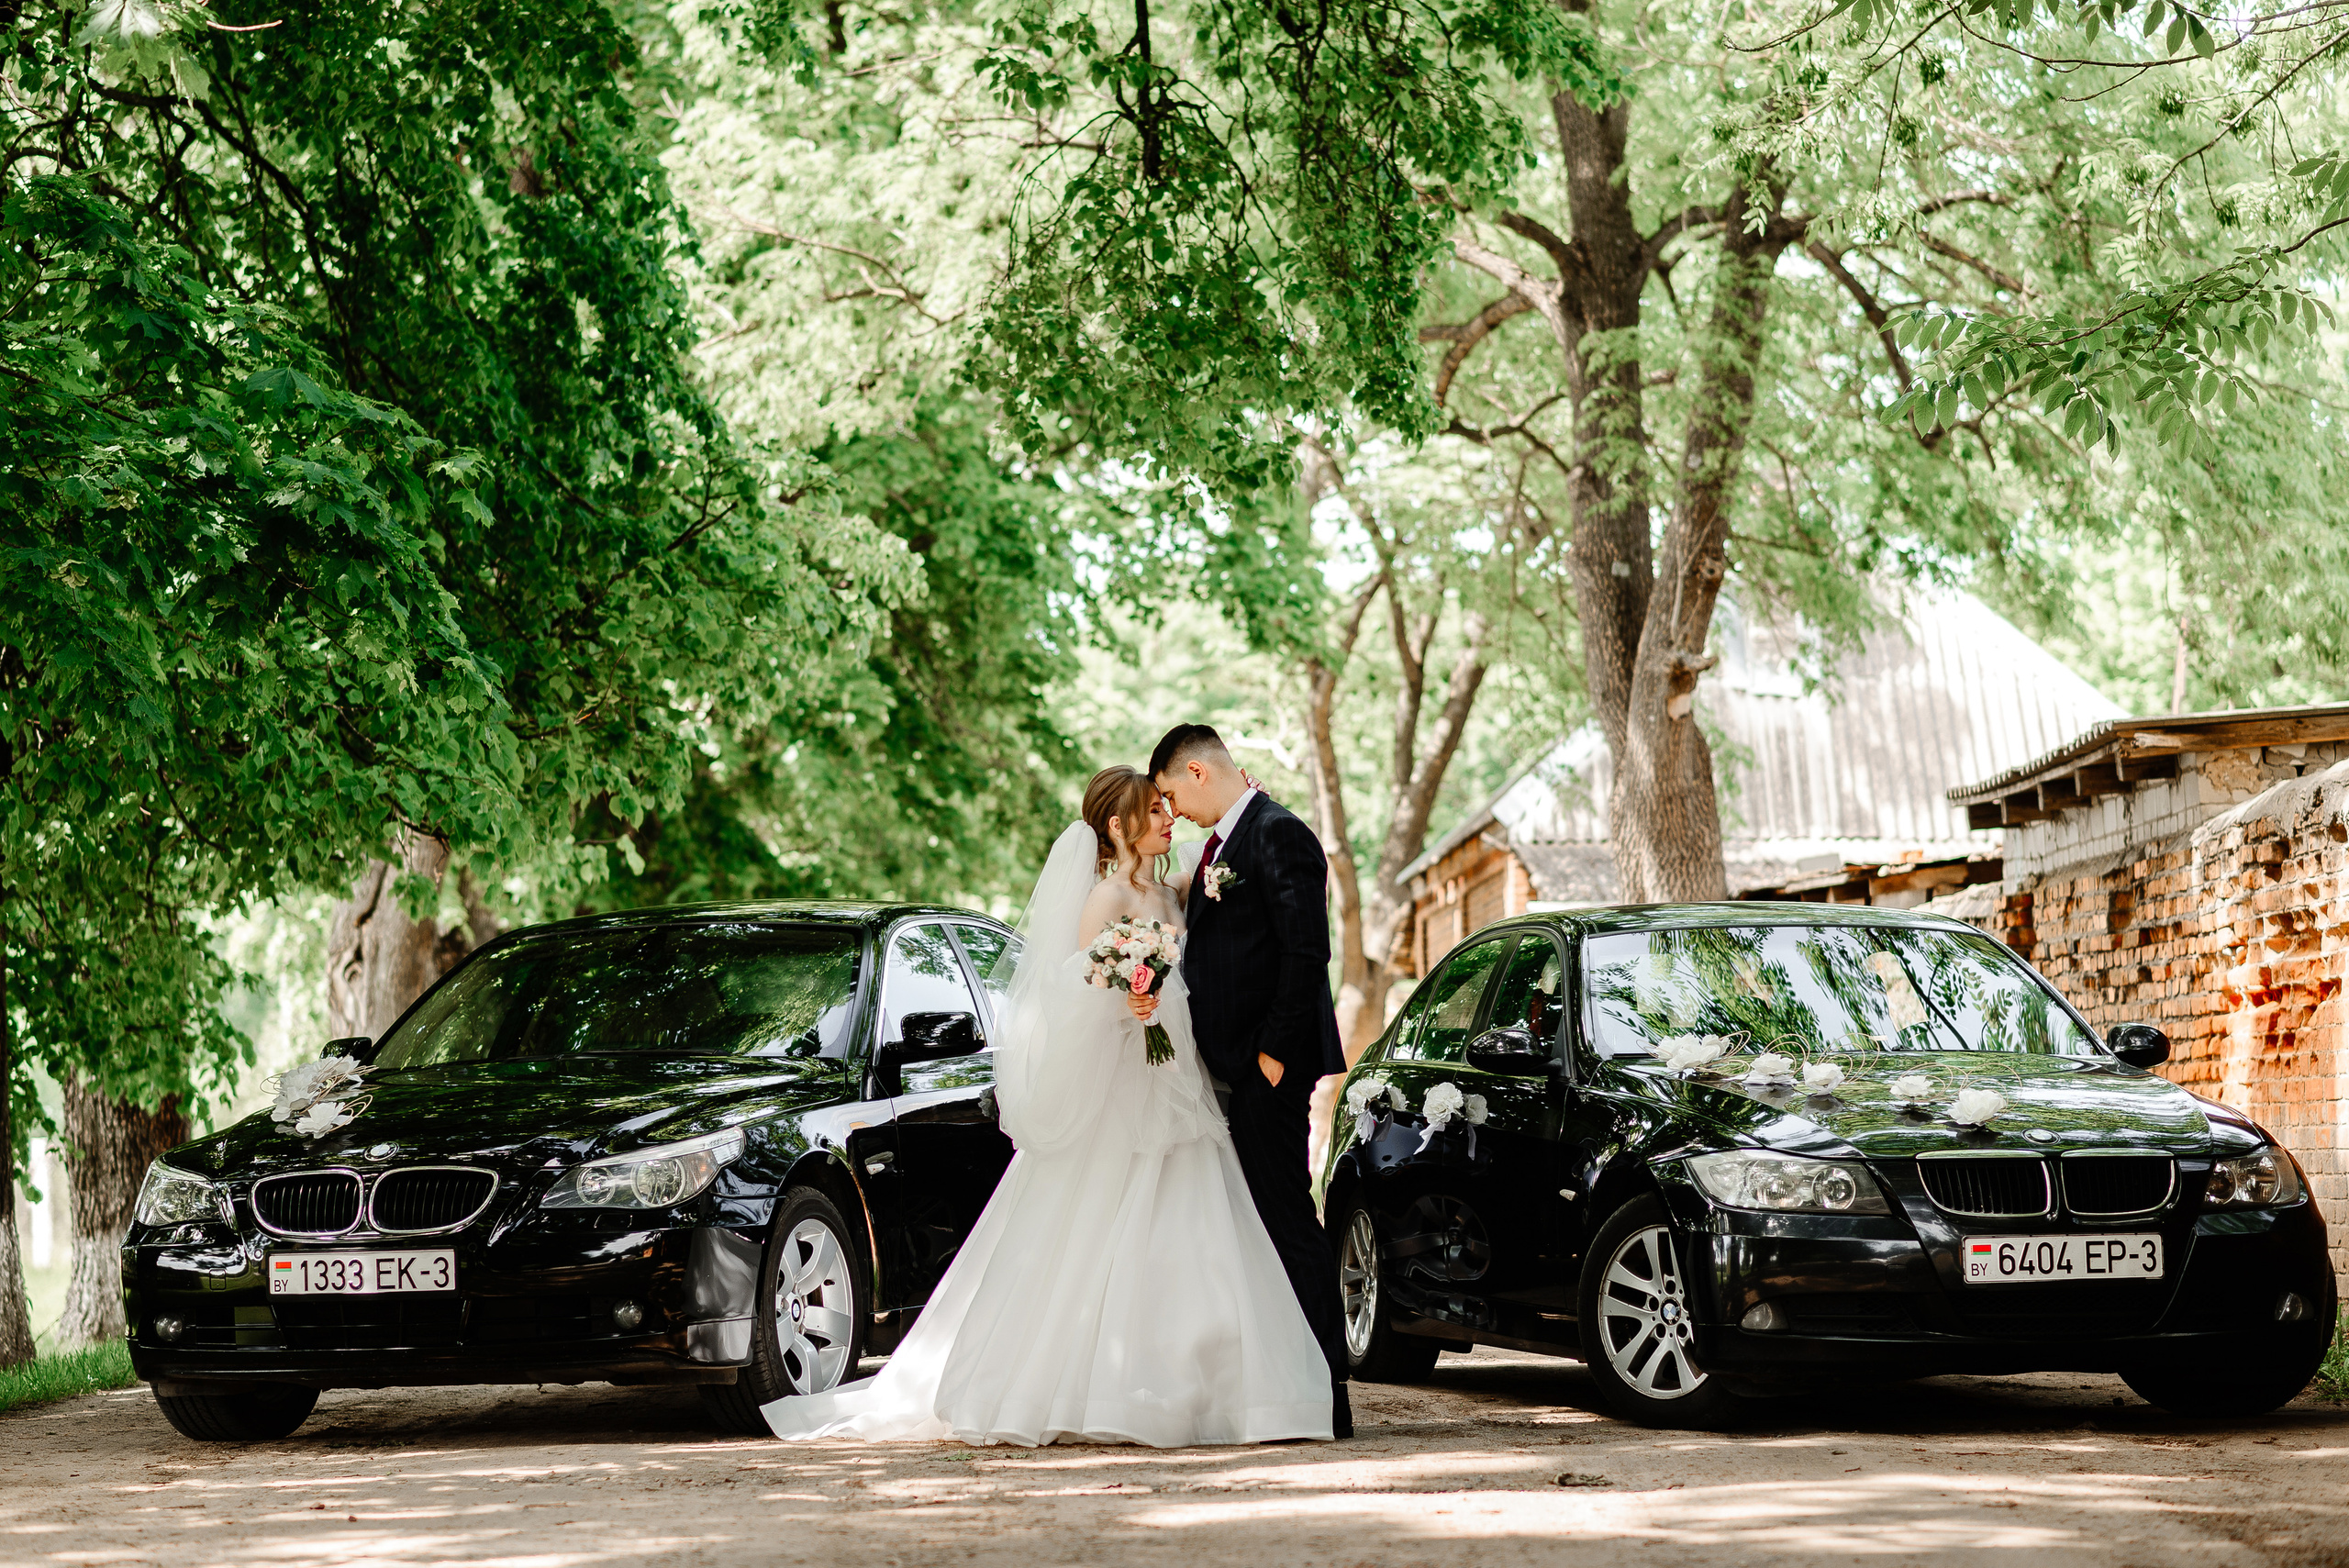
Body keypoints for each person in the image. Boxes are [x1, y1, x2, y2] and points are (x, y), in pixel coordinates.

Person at [762, 766, 1335, 1447]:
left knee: (1198, 1223)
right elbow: (1071, 1000)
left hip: (1183, 1081)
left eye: (1167, 805)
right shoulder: (1104, 899)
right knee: (1105, 1226)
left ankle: (1206, 1384)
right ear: (1117, 826)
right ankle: (1094, 1386)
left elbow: (1239, 881)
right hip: (1126, 1083)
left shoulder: (1174, 886)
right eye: (1153, 810)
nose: (1167, 818)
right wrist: (1130, 1000)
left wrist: (1250, 800)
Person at [1149, 724, 1353, 1440]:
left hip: (1268, 1069)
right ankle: (1284, 1385)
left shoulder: (1278, 833)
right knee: (1255, 1225)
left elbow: (1306, 951)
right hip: (1228, 1067)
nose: (1172, 811)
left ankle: (1327, 1389)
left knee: (1286, 1221)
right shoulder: (1223, 846)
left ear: (1199, 772)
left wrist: (1271, 1055)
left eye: (1172, 793)